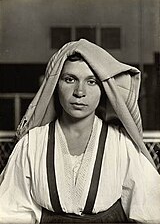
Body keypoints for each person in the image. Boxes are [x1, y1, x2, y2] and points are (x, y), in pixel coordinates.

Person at [0, 39, 160, 224]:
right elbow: (11, 213)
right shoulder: (32, 143)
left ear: (104, 89)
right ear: (54, 85)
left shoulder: (121, 143)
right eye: (70, 79)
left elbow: (151, 212)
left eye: (91, 81)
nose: (79, 92)